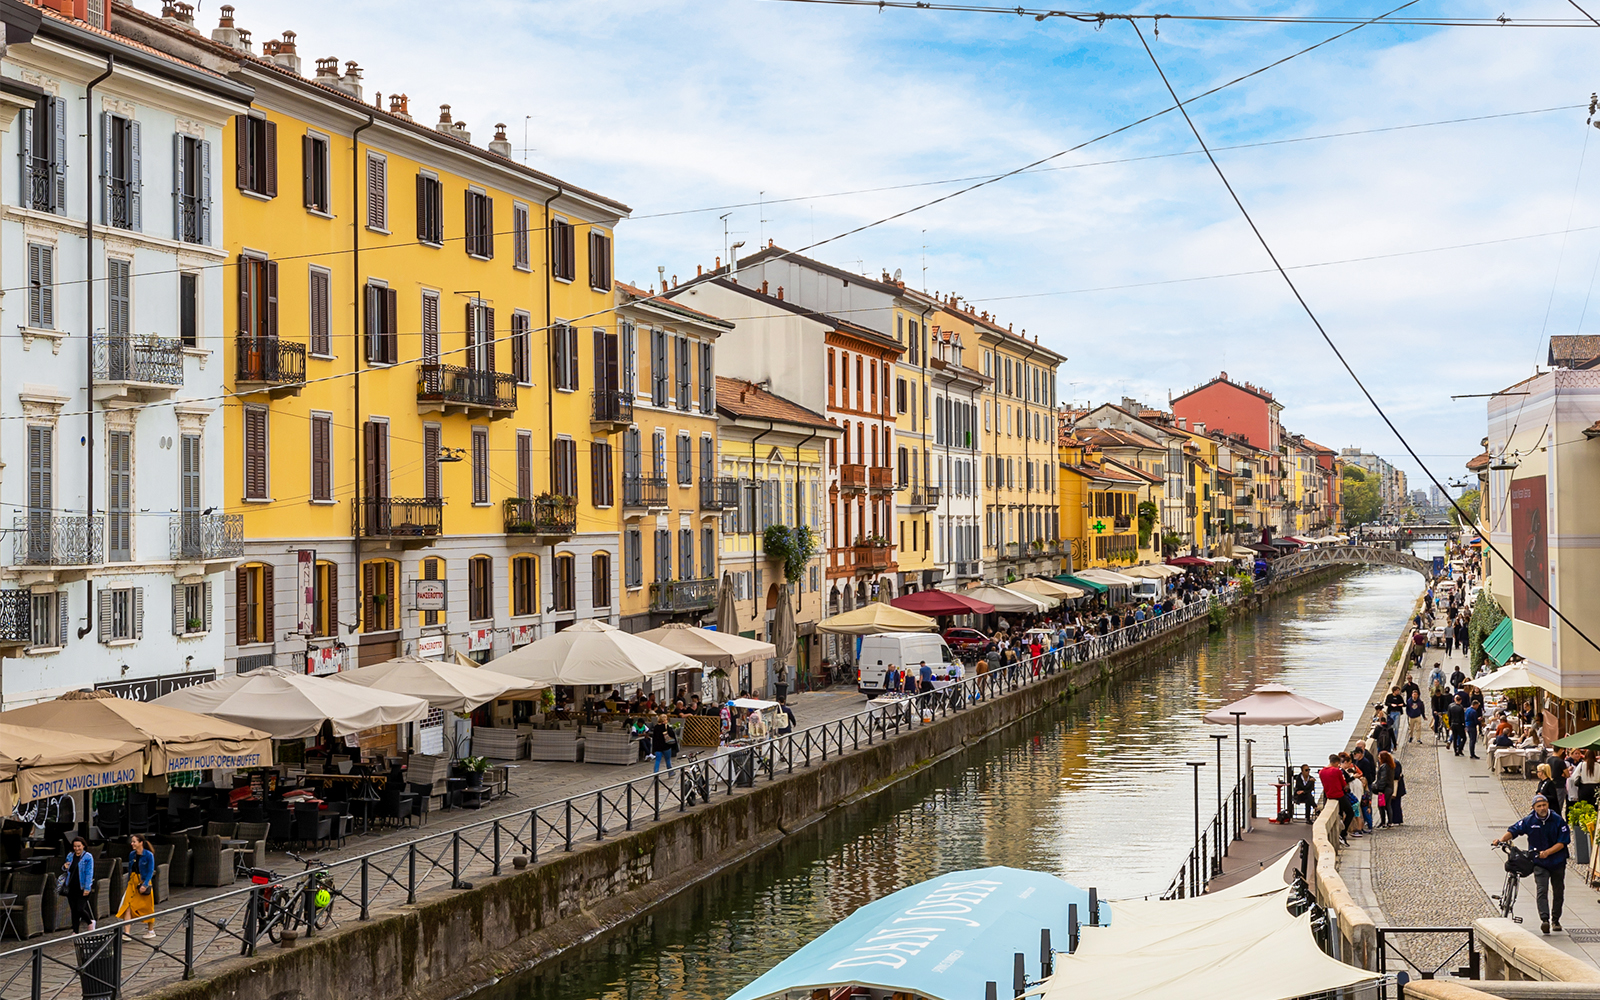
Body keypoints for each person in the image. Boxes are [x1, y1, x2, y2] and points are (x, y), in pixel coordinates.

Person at [1493, 793, 1570, 935]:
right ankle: (1545, 920)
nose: (1542, 808)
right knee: (1542, 889)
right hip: (1539, 862)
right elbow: (1514, 830)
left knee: (1558, 891)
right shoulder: (1530, 820)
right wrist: (1501, 839)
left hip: (1557, 861)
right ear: (1534, 808)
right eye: (1539, 806)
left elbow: (1563, 842)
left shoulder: (1558, 820)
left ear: (1548, 805)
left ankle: (1556, 919)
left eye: (1544, 805)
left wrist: (1548, 852)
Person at [117, 833, 157, 939]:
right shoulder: (132, 854)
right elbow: (131, 869)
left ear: (141, 843)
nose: (132, 844)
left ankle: (151, 930)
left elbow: (150, 871)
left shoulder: (148, 855)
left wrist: (145, 884)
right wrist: (129, 882)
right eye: (132, 841)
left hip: (143, 881)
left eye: (134, 841)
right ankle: (127, 933)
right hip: (133, 882)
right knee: (127, 906)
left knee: (148, 907)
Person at [61, 835, 94, 933]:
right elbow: (66, 870)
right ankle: (75, 931)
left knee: (79, 909)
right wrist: (64, 866)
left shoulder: (88, 857)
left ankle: (90, 921)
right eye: (75, 846)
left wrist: (87, 888)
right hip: (71, 886)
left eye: (79, 846)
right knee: (73, 910)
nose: (77, 848)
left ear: (83, 846)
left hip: (82, 886)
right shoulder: (70, 856)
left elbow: (89, 873)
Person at [1319, 754, 1353, 845]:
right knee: (1350, 812)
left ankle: (1341, 833)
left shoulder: (1321, 772)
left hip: (1329, 795)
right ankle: (1343, 833)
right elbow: (1343, 784)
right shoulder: (1336, 771)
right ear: (1336, 762)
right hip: (1339, 795)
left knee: (1339, 814)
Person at [1372, 751, 1393, 828]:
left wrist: (1380, 789)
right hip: (1390, 788)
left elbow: (1383, 779)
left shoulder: (1384, 766)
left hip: (1385, 789)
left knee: (1381, 806)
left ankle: (1383, 822)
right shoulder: (1391, 766)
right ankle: (1390, 822)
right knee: (1388, 805)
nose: (1378, 759)